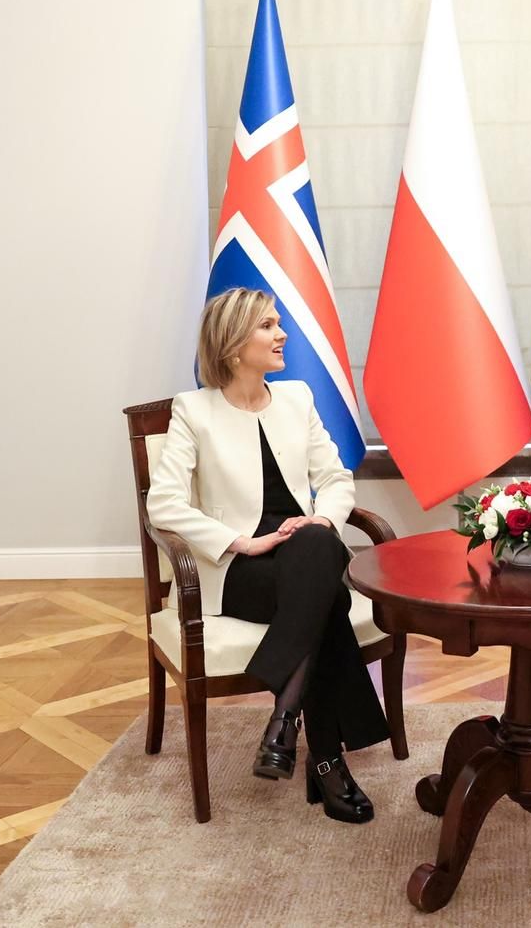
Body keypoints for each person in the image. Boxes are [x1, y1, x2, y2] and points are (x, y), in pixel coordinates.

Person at [146, 288, 389, 824]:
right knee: (327, 597)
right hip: (238, 570)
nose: (282, 334)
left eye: (278, 323)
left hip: (306, 557)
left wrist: (323, 519)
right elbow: (162, 503)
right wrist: (242, 542)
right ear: (234, 345)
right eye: (267, 326)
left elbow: (335, 479)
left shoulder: (297, 398)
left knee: (319, 545)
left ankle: (287, 723)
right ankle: (322, 759)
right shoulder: (194, 410)